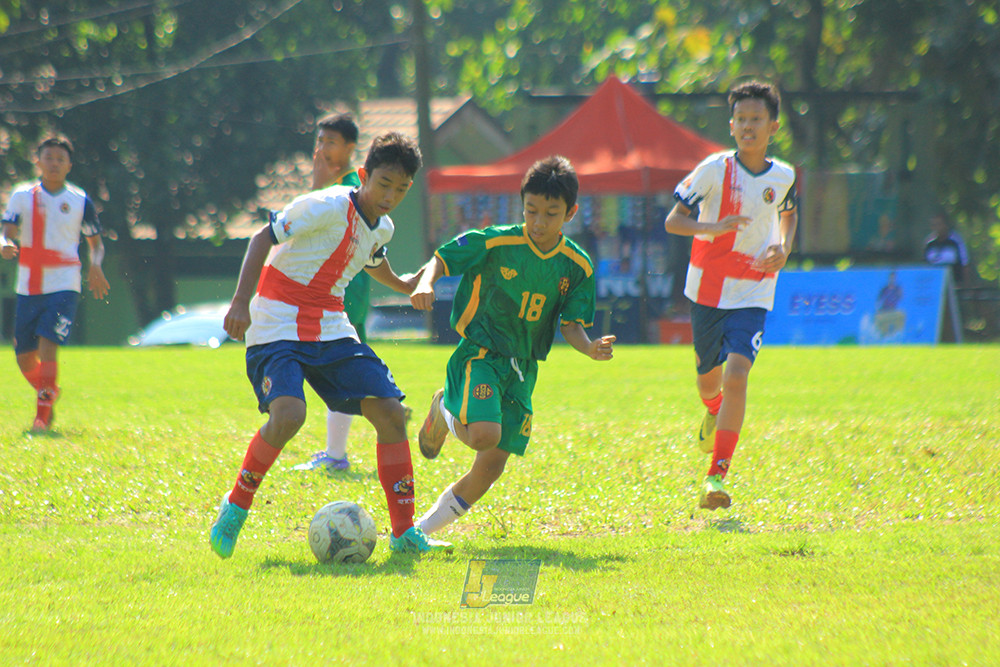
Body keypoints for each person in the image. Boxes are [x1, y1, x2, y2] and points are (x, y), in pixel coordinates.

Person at [210, 132, 451, 558]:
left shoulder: (384, 226)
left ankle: (403, 532)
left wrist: (405, 284)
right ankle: (236, 505)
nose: (390, 195)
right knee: (289, 415)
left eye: (401, 189)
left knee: (390, 413)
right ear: (363, 175)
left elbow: (372, 258)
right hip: (276, 323)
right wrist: (239, 302)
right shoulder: (325, 206)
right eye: (383, 184)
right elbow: (260, 239)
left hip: (331, 326)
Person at [409, 155, 616, 537]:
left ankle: (419, 533)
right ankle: (444, 408)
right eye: (531, 210)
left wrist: (588, 348)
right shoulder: (497, 241)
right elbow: (443, 257)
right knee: (484, 435)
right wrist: (426, 282)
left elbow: (570, 325)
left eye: (550, 214)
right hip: (481, 353)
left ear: (570, 213)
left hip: (523, 368)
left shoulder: (577, 266)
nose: (538, 222)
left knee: (491, 466)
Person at [663, 80, 798, 510]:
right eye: (740, 119)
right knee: (708, 381)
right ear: (731, 124)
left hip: (755, 291)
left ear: (772, 127)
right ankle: (713, 408)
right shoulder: (713, 170)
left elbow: (788, 215)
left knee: (737, 374)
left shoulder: (784, 175)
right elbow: (673, 221)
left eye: (756, 119)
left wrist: (784, 247)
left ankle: (716, 477)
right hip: (706, 290)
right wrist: (710, 228)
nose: (747, 126)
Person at [289, 113, 397, 474]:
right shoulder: (335, 184)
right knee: (336, 369)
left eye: (330, 142)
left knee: (340, 368)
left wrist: (318, 187)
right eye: (319, 141)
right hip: (330, 294)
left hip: (342, 295)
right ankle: (336, 452)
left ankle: (337, 454)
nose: (321, 149)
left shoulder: (351, 186)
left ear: (350, 149)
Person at [0, 136, 110, 432]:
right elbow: (6, 230)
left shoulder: (79, 200)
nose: (54, 164)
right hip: (28, 283)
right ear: (38, 161)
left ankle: (42, 415)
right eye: (49, 158)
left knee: (49, 343)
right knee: (24, 358)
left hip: (64, 282)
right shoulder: (23, 195)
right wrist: (4, 244)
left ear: (69, 166)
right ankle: (47, 389)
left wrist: (95, 265)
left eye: (60, 159)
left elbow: (95, 243)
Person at [924, 212, 969, 285]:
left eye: (939, 224)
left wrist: (965, 284)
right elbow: (925, 264)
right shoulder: (929, 243)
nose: (937, 228)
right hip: (934, 284)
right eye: (934, 225)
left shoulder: (956, 241)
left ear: (945, 225)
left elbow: (964, 263)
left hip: (954, 282)